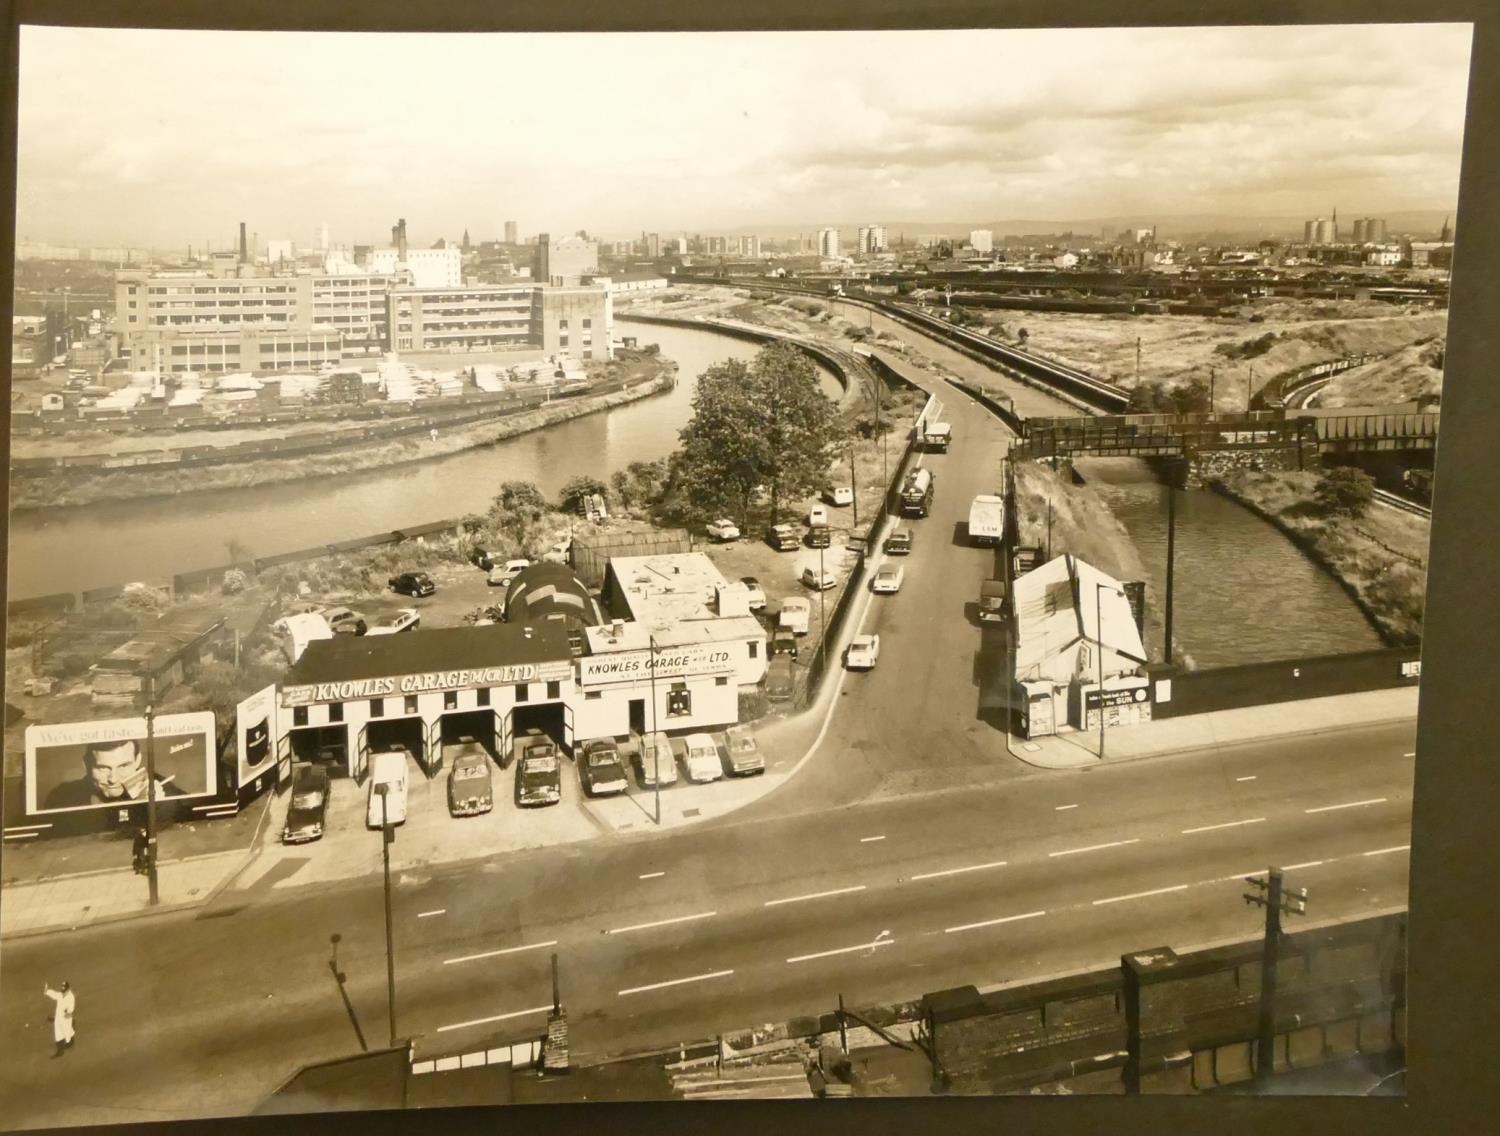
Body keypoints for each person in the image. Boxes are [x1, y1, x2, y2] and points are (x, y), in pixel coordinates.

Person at [42, 737, 186, 810]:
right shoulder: (61, 798)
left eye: (123, 766)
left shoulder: (161, 789)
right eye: (103, 768)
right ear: (86, 765)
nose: (113, 779)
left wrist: (157, 810)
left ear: (137, 761)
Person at [43, 982, 75, 1056]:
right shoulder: (60, 994)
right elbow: (55, 995)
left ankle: (70, 1042)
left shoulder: (71, 997)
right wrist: (47, 991)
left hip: (66, 1018)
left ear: (68, 989)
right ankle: (60, 1052)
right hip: (58, 1017)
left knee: (67, 1031)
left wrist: (68, 1013)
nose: (63, 993)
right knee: (58, 1033)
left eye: (65, 991)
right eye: (62, 991)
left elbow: (70, 1010)